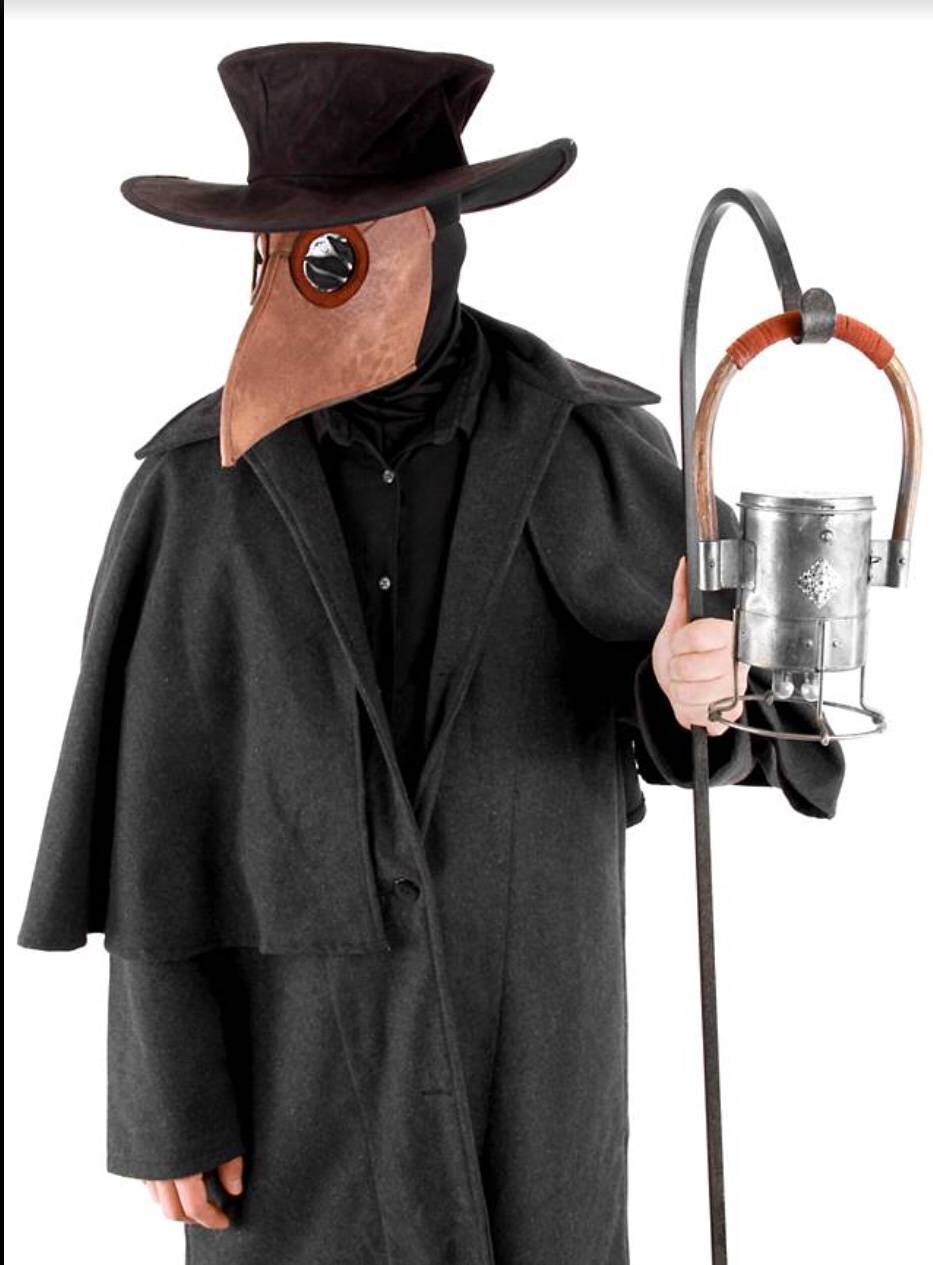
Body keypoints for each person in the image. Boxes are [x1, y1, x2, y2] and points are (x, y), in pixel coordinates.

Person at [17, 42, 844, 1264]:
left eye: (335, 253)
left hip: (530, 1049)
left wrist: (692, 693)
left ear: (436, 236)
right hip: (298, 1063)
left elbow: (732, 697)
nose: (300, 286)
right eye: (281, 253)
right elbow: (153, 801)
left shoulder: (580, 447)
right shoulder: (197, 492)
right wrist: (167, 1090)